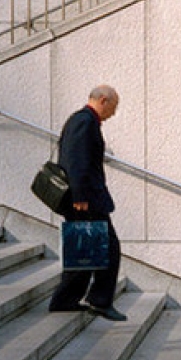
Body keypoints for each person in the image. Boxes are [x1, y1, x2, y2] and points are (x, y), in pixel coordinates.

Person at [48, 85, 127, 322]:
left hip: (85, 198)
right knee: (109, 248)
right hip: (86, 200)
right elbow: (76, 161)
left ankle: (65, 300)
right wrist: (80, 196)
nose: (113, 113)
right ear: (103, 100)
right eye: (113, 107)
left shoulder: (82, 120)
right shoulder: (85, 122)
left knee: (83, 249)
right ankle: (99, 300)